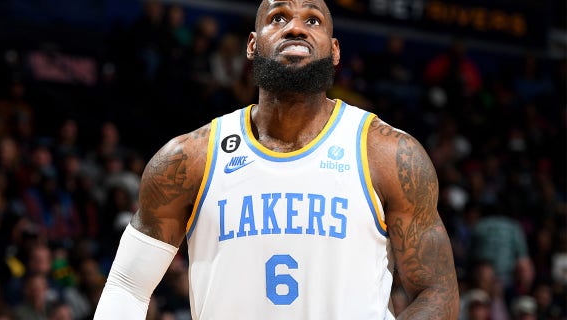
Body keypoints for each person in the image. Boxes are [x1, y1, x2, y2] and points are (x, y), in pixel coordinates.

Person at [95, 0, 459, 319]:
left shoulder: (389, 154)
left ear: (334, 50)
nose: (296, 27)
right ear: (252, 45)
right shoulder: (188, 159)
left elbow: (437, 293)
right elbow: (127, 286)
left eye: (312, 20)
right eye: (278, 18)